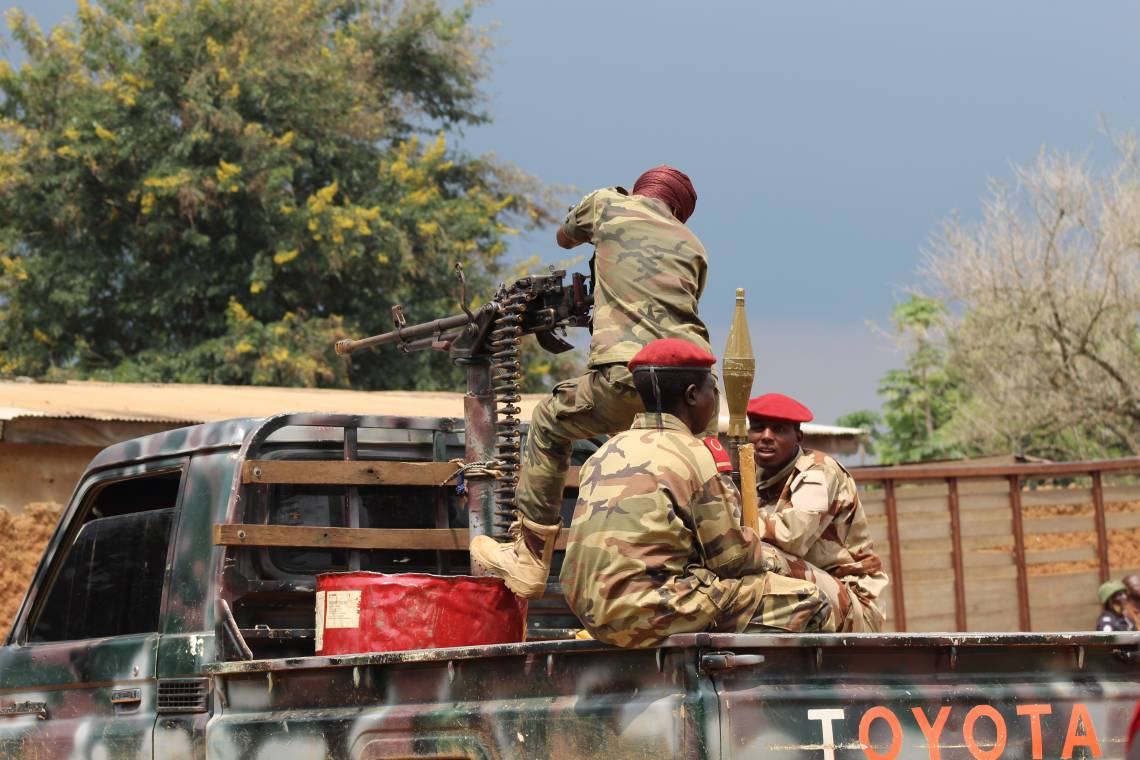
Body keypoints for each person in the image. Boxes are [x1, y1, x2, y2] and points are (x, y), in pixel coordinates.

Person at [471, 166, 714, 598]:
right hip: (695, 388)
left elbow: (564, 236)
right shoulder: (693, 245)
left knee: (550, 421)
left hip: (629, 376)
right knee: (686, 466)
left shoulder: (608, 204)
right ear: (678, 210)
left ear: (642, 189)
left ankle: (528, 559)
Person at [558, 339, 836, 647]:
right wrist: (769, 557)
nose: (715, 400)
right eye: (712, 391)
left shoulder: (604, 453)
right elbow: (730, 560)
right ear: (693, 395)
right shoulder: (695, 455)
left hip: (594, 616)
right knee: (809, 599)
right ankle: (759, 693)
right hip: (655, 612)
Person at [746, 393, 888, 632]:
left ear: (798, 437)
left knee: (761, 553)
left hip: (853, 603)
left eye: (779, 430)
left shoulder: (818, 471)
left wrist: (732, 527)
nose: (766, 437)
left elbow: (791, 537)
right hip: (812, 592)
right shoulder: (754, 477)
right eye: (758, 428)